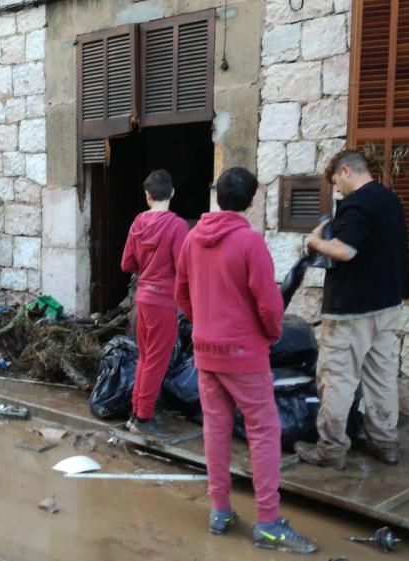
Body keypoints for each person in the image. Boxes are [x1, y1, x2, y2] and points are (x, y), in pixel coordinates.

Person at [175, 167, 317, 554]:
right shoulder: (250, 243)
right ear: (252, 202)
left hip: (206, 352)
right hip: (244, 355)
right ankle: (268, 522)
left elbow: (181, 294)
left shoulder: (192, 240)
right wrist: (270, 334)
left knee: (215, 429)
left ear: (217, 196)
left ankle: (220, 511)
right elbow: (269, 304)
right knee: (264, 431)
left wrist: (201, 323)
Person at [295, 150, 409, 469]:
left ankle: (331, 450)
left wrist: (315, 242)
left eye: (336, 182)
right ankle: (385, 443)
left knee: (336, 378)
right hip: (387, 305)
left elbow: (345, 250)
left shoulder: (357, 203)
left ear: (346, 170)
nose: (337, 190)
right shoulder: (390, 200)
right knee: (381, 376)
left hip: (351, 310)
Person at [120, 169, 189, 437]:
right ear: (172, 193)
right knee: (156, 361)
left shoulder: (137, 223)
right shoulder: (177, 226)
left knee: (145, 358)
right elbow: (183, 267)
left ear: (147, 196)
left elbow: (127, 263)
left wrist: (146, 265)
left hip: (142, 298)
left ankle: (136, 413)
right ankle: (144, 419)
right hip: (163, 302)